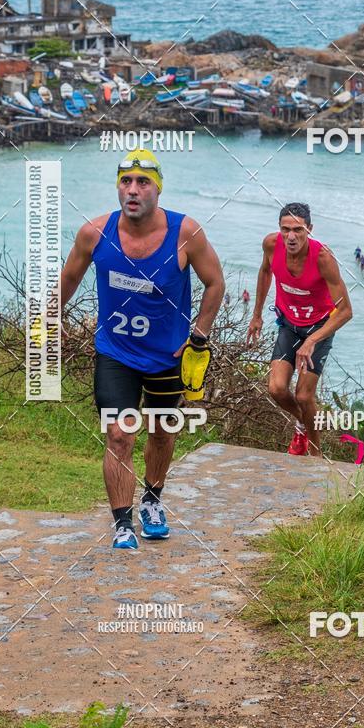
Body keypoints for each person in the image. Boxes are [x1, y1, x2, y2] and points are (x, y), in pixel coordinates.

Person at [60, 149, 225, 550]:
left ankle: (152, 500)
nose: (133, 190)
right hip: (116, 352)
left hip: (168, 357)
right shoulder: (94, 234)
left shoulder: (186, 233)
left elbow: (215, 283)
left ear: (158, 188)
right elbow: (67, 282)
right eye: (125, 181)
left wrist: (199, 334)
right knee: (119, 434)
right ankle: (122, 523)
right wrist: (48, 325)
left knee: (162, 433)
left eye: (143, 182)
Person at [247, 203, 352, 458]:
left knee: (304, 397)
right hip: (289, 326)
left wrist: (313, 340)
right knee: (276, 389)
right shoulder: (271, 245)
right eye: (286, 229)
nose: (291, 236)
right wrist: (257, 315)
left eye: (298, 230)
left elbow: (346, 311)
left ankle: (315, 457)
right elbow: (264, 272)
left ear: (310, 230)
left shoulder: (323, 258)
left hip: (318, 327)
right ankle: (305, 423)